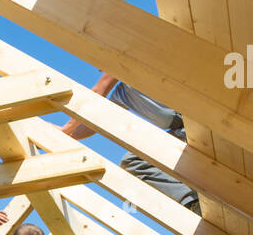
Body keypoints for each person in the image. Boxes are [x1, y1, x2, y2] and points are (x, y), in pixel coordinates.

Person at [60, 73, 201, 214]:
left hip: (198, 118)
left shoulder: (125, 63)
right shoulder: (122, 93)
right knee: (133, 162)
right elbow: (98, 119)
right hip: (183, 132)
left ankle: (195, 198)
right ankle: (194, 204)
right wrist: (62, 133)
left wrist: (66, 128)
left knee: (135, 160)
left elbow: (97, 92)